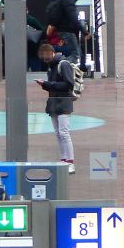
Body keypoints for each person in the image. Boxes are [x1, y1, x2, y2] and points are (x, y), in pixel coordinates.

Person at [36, 42, 76, 173]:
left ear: (52, 53)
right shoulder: (52, 65)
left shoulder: (62, 64)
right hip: (54, 101)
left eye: (46, 56)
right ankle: (64, 159)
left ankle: (70, 161)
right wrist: (46, 84)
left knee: (64, 132)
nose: (45, 59)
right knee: (59, 133)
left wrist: (48, 84)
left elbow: (69, 84)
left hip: (63, 101)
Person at [44, 0, 83, 64]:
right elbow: (73, 18)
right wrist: (84, 31)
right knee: (75, 54)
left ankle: (60, 65)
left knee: (74, 53)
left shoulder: (55, 4)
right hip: (67, 31)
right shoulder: (68, 1)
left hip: (57, 37)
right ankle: (63, 66)